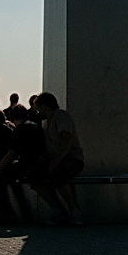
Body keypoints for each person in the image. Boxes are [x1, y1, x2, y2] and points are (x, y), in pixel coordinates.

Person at [0, 103, 46, 223]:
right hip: (35, 163)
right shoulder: (35, 126)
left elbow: (12, 153)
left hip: (25, 165)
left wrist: (0, 167)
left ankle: (6, 214)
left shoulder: (21, 129)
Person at [30, 92, 85, 225]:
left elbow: (67, 138)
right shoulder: (46, 122)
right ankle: (58, 210)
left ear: (44, 106)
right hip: (55, 159)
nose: (37, 112)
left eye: (38, 108)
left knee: (58, 175)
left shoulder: (61, 116)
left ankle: (74, 210)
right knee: (35, 178)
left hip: (71, 159)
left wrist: (57, 159)